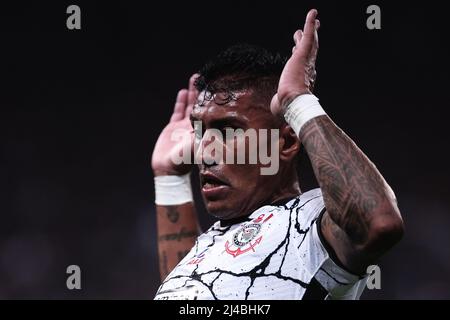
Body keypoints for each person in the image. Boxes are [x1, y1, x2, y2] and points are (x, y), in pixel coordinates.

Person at [151, 9, 404, 300]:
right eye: (200, 131)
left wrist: (299, 102)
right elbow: (191, 294)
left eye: (227, 131)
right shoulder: (218, 239)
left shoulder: (313, 225)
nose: (203, 151)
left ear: (285, 142)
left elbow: (380, 223)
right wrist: (170, 180)